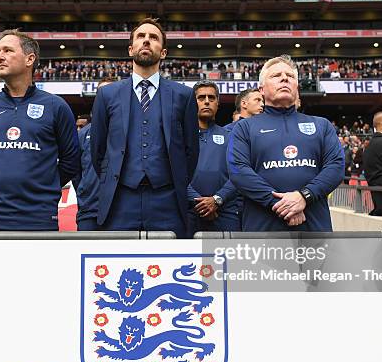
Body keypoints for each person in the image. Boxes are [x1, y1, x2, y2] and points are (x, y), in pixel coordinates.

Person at [90, 18, 199, 238]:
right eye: (141, 37)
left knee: (169, 265)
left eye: (153, 38)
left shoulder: (183, 95)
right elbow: (98, 149)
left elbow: (191, 150)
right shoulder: (107, 94)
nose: (146, 41)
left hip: (167, 200)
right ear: (131, 50)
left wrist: (173, 181)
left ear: (164, 52)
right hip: (119, 199)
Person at [0, 29, 80, 231]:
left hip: (39, 219)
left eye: (8, 50)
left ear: (30, 59)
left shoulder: (56, 106)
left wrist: (44, 185)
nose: (0, 56)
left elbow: (71, 162)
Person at [228, 54, 344, 231]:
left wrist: (304, 197)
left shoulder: (321, 125)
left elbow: (336, 167)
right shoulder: (244, 128)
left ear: (297, 87)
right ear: (261, 89)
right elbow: (238, 171)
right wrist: (282, 204)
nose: (284, 78)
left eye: (290, 76)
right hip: (262, 229)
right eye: (276, 76)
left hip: (314, 228)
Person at [187, 81, 239, 236]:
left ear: (217, 103)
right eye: (201, 98)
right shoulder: (180, 137)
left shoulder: (230, 137)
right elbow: (175, 173)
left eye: (211, 97)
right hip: (189, 211)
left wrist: (217, 199)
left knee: (230, 260)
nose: (207, 101)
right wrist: (199, 202)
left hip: (225, 211)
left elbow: (239, 174)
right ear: (192, 103)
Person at [73, 79, 114, 231]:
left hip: (121, 211)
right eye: (101, 93)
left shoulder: (131, 130)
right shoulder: (83, 133)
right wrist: (86, 190)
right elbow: (75, 170)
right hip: (90, 209)